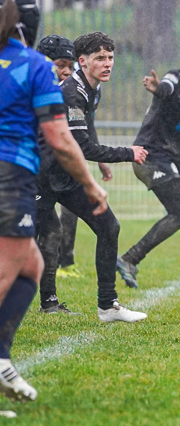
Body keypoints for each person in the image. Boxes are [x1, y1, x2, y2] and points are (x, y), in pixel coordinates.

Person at [0, 0, 108, 401]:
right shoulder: (35, 67)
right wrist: (91, 183)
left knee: (31, 265)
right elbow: (61, 140)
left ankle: (2, 360)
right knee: (11, 271)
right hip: (10, 175)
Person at [34, 31, 148, 322]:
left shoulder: (90, 89)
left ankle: (108, 306)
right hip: (39, 175)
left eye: (110, 57)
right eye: (100, 58)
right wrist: (128, 152)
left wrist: (99, 164)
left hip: (65, 174)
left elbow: (82, 133)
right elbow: (82, 146)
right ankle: (47, 302)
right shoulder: (72, 91)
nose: (107, 63)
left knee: (108, 227)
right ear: (82, 61)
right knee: (32, 239)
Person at [116, 36, 180, 288]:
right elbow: (166, 88)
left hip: (175, 158)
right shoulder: (175, 78)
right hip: (150, 155)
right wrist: (158, 88)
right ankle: (129, 259)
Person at [36, 34, 113, 283]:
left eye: (70, 67)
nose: (66, 72)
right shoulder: (31, 89)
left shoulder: (82, 91)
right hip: (26, 173)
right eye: (60, 66)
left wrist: (98, 158)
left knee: (53, 230)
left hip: (54, 173)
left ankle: (49, 302)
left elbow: (82, 128)